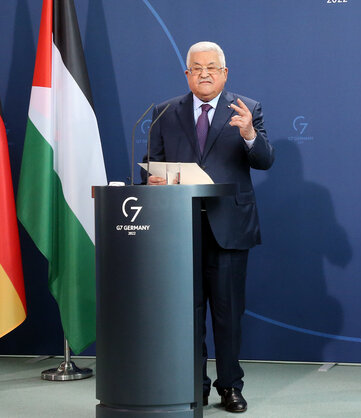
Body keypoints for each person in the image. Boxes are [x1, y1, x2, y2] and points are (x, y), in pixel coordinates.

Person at [145, 41, 274, 413]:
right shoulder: (164, 112)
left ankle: (230, 386)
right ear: (187, 74)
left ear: (224, 73)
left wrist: (249, 132)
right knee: (187, 313)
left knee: (227, 313)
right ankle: (193, 384)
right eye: (196, 68)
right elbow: (152, 162)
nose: (204, 73)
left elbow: (264, 161)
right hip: (179, 229)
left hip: (229, 226)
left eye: (212, 67)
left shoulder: (246, 109)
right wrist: (154, 179)